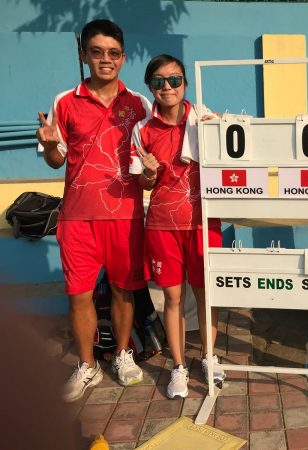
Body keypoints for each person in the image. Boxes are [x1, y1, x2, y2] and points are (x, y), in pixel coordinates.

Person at [36, 19, 152, 402]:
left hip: (126, 215)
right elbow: (56, 161)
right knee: (79, 295)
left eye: (113, 53)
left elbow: (148, 164)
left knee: (123, 290)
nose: (106, 59)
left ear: (123, 57)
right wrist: (50, 146)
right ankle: (87, 366)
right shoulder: (65, 102)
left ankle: (122, 354)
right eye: (97, 52)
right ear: (84, 55)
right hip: (77, 217)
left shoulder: (139, 104)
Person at [129, 54, 225, 399]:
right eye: (159, 81)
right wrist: (150, 172)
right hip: (163, 225)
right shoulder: (142, 129)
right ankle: (180, 367)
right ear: (149, 86)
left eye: (174, 80)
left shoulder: (206, 119)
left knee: (207, 295)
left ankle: (210, 358)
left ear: (185, 82)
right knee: (173, 298)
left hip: (204, 222)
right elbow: (144, 183)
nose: (167, 87)